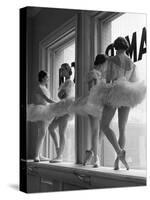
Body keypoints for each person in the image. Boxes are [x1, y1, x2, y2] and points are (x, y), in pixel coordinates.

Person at [48, 63, 75, 163]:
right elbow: (60, 95)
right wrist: (61, 94)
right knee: (50, 128)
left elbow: (64, 95)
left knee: (61, 132)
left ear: (68, 70)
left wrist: (61, 94)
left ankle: (59, 155)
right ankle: (58, 149)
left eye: (63, 69)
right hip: (61, 107)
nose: (62, 71)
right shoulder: (64, 83)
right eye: (61, 70)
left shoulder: (69, 82)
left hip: (66, 108)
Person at [27, 70, 55, 162]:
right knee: (42, 132)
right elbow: (47, 99)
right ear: (43, 78)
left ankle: (38, 154)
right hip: (40, 110)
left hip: (45, 110)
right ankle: (36, 155)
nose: (48, 79)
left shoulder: (45, 87)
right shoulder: (39, 87)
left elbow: (47, 100)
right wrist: (58, 103)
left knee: (43, 132)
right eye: (47, 77)